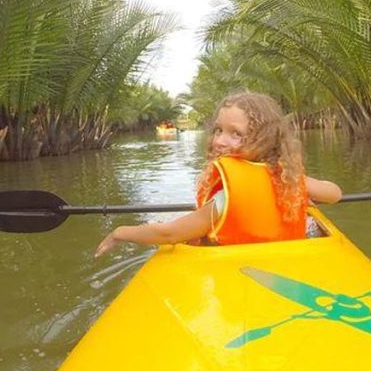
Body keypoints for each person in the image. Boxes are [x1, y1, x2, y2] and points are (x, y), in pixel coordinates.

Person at [95, 92, 342, 258]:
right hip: (288, 264)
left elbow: (169, 234)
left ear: (265, 138)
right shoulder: (288, 177)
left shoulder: (225, 198)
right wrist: (300, 191)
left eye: (236, 134)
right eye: (218, 130)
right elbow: (335, 194)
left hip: (237, 275)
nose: (220, 141)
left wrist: (120, 232)